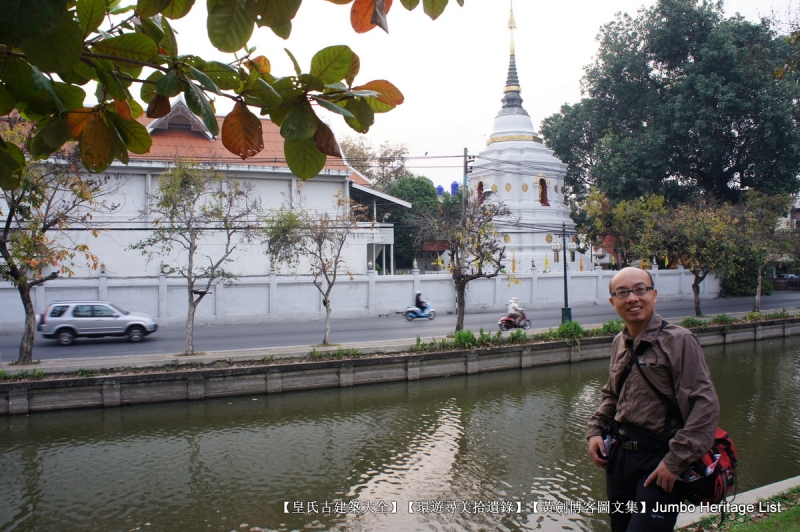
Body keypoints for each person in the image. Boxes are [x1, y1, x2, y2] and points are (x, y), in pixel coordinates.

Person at [587, 267, 720, 532]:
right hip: (620, 459)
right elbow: (613, 395)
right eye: (622, 293)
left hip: (660, 461)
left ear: (654, 295)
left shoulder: (679, 341)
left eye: (640, 289)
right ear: (613, 302)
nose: (632, 298)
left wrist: (675, 463)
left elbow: (704, 407)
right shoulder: (619, 342)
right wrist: (595, 431)